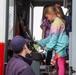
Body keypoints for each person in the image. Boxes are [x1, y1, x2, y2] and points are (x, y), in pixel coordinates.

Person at [37, 6, 69, 75]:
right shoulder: (56, 22)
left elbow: (54, 38)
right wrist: (40, 42)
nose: (47, 19)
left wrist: (48, 47)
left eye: (47, 17)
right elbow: (50, 37)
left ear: (51, 14)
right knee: (58, 64)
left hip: (60, 47)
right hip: (60, 47)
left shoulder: (56, 23)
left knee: (60, 65)